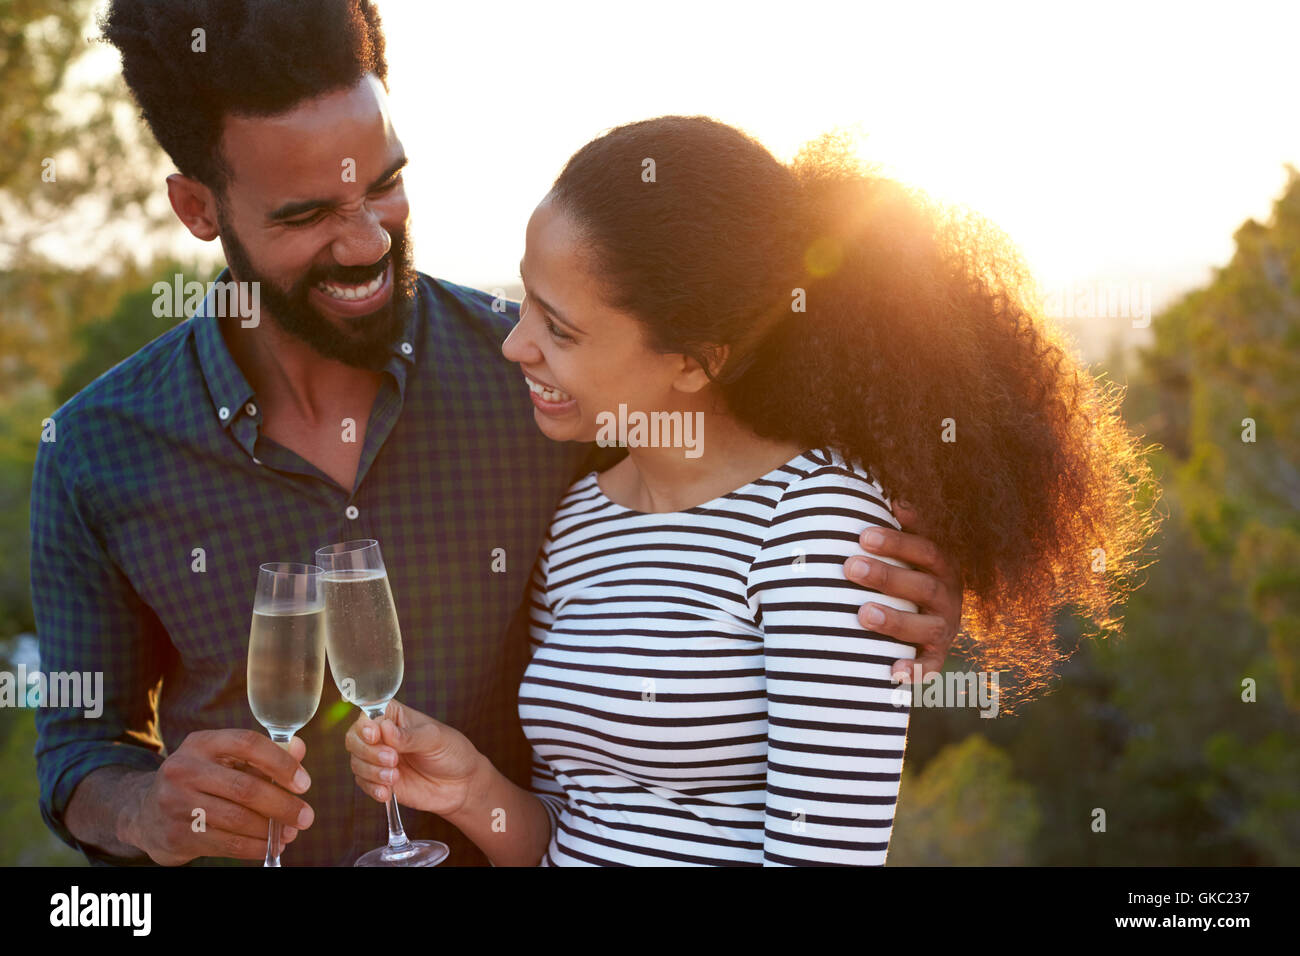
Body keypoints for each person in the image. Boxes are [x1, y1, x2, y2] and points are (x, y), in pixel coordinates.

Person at [30, 2, 964, 867]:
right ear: (199, 209)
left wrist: (925, 583)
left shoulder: (556, 391)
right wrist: (142, 809)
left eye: (385, 187)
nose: (364, 242)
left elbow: (742, 467)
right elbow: (79, 748)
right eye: (307, 215)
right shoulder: (96, 449)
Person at [345, 116, 1159, 865]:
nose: (516, 343)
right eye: (527, 301)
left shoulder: (817, 530)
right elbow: (567, 839)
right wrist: (471, 793)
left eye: (561, 330)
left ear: (696, 361)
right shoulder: (577, 527)